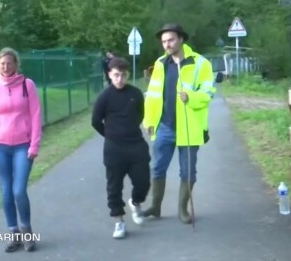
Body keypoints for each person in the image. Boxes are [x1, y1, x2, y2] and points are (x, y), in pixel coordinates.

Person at [141, 23, 216, 224]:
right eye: (164, 41)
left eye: (171, 39)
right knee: (157, 168)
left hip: (189, 127)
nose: (167, 44)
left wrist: (191, 96)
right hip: (163, 126)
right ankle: (155, 207)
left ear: (181, 39)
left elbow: (209, 93)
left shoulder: (200, 63)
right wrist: (148, 120)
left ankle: (183, 209)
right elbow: (153, 95)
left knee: (188, 171)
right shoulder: (160, 63)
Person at [0, 47, 43, 252]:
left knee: (19, 190)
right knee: (6, 192)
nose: (6, 67)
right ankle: (14, 234)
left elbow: (36, 116)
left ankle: (27, 231)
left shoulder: (27, 85)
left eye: (9, 63)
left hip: (23, 146)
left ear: (16, 64)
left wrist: (34, 144)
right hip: (0, 146)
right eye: (2, 63)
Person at [91, 57, 151, 239]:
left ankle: (136, 201)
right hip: (114, 148)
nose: (120, 79)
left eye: (123, 75)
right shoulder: (104, 97)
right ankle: (119, 221)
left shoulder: (136, 93)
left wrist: (129, 131)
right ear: (109, 75)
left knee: (143, 182)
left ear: (128, 75)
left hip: (136, 145)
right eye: (116, 75)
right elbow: (95, 122)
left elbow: (141, 114)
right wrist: (111, 135)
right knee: (114, 187)